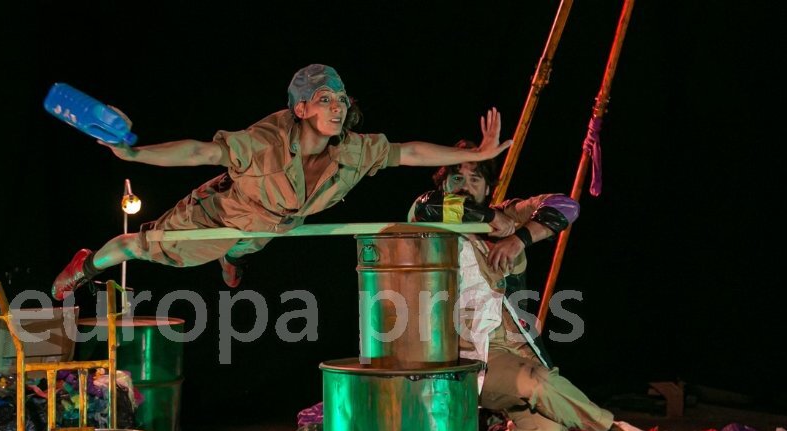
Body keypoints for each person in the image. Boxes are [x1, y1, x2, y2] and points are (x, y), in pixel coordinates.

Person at [50, 64, 512, 299]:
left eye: (342, 100)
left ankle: (234, 254)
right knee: (141, 247)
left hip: (275, 223)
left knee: (251, 242)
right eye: (325, 99)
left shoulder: (353, 148)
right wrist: (132, 153)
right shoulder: (263, 141)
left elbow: (408, 152)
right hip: (224, 213)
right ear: (301, 109)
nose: (338, 108)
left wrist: (475, 153)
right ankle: (88, 263)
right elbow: (199, 152)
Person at [408, 140, 657, 431]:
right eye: (456, 177)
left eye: (475, 179)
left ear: (489, 189)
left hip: (509, 346)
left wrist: (520, 238)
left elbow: (564, 206)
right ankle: (607, 429)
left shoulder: (508, 217)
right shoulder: (428, 218)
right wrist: (496, 221)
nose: (466, 185)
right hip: (458, 350)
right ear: (442, 185)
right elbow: (427, 207)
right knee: (538, 382)